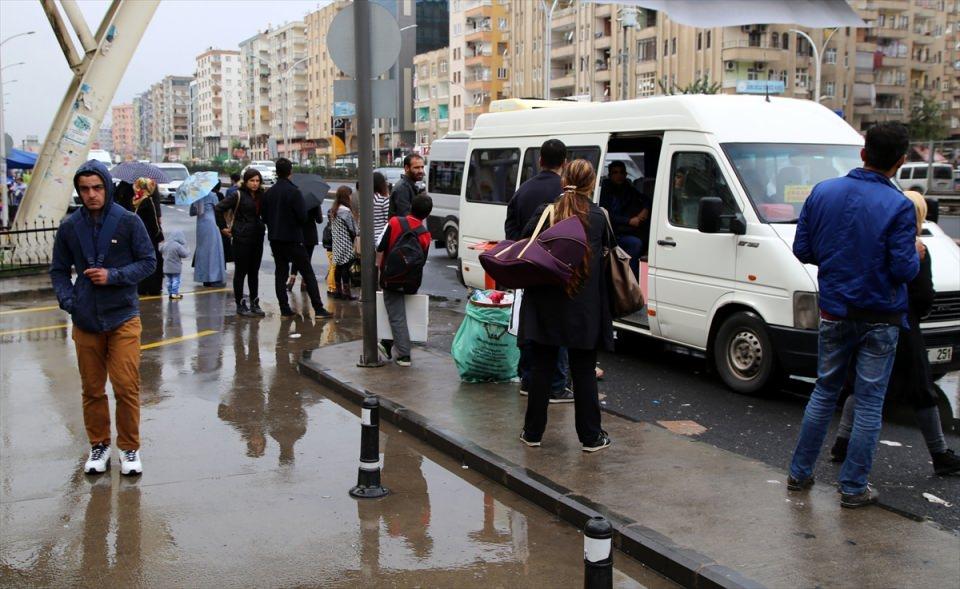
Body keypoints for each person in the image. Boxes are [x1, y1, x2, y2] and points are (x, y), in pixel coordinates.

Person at [787, 122, 920, 509]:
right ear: (900, 162)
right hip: (881, 315)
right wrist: (916, 253)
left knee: (824, 390)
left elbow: (803, 249)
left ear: (863, 153)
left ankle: (799, 472)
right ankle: (852, 487)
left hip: (835, 309)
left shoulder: (823, 192)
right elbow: (904, 270)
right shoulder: (899, 206)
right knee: (868, 402)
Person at [830, 191, 960, 476]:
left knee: (860, 385)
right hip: (904, 326)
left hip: (864, 319)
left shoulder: (871, 241)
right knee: (921, 390)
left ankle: (841, 444)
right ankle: (939, 454)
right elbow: (924, 295)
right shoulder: (917, 250)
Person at [49, 160, 156, 476]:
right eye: (84, 189)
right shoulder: (70, 226)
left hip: (123, 315)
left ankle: (129, 448)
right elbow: (58, 270)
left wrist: (114, 275)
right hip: (86, 320)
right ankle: (99, 445)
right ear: (78, 191)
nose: (91, 194)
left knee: (125, 386)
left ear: (107, 188)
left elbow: (148, 261)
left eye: (97, 187)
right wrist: (69, 301)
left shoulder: (127, 222)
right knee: (92, 389)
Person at [518, 159, 613, 452]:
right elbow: (608, 254)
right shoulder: (599, 217)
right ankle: (590, 437)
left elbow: (524, 244)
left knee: (542, 368)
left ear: (564, 181)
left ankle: (532, 434)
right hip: (584, 307)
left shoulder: (546, 212)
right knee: (583, 372)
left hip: (546, 303)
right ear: (592, 183)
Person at [504, 138, 573, 404]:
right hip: (557, 270)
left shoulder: (522, 190)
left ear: (540, 161)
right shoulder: (567, 194)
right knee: (558, 327)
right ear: (564, 162)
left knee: (529, 322)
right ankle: (557, 385)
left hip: (528, 269)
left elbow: (511, 232)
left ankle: (527, 378)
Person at [260, 158, 331, 318]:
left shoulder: (269, 193)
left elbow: (264, 217)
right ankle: (318, 308)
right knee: (308, 273)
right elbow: (302, 217)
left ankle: (285, 308)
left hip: (275, 239)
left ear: (276, 172)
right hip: (293, 239)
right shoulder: (294, 192)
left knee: (281, 273)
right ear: (290, 171)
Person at [377, 193, 433, 367]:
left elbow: (380, 246)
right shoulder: (425, 235)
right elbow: (421, 261)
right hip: (411, 281)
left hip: (391, 278)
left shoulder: (394, 222)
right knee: (399, 314)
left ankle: (404, 356)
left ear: (410, 206)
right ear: (427, 214)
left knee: (396, 315)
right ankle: (386, 344)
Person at [216, 168, 267, 317]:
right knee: (241, 272)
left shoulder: (261, 195)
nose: (255, 184)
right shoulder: (237, 194)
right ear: (246, 181)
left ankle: (254, 302)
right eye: (252, 180)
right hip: (241, 237)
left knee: (254, 271)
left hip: (257, 236)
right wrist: (223, 228)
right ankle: (240, 303)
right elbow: (218, 208)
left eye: (257, 181)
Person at [598, 161, 651, 277]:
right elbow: (606, 215)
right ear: (610, 175)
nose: (619, 175)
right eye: (615, 172)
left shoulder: (627, 187)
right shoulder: (605, 190)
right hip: (613, 232)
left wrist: (645, 209)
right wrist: (629, 221)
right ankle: (629, 278)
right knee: (635, 243)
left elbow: (646, 199)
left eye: (622, 172)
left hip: (629, 228)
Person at [131, 178, 165, 295]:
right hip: (149, 237)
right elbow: (154, 223)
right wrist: (159, 235)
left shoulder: (135, 200)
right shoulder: (148, 201)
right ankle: (153, 287)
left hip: (138, 236)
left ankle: (142, 287)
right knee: (154, 261)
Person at [190, 184, 226, 287]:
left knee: (203, 251)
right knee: (213, 250)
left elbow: (192, 213)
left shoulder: (195, 195)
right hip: (211, 223)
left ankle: (204, 277)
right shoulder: (213, 195)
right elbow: (219, 209)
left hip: (201, 224)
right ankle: (214, 276)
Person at [329, 186, 358, 300]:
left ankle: (338, 291)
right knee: (346, 266)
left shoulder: (334, 209)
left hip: (337, 242)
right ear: (346, 196)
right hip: (346, 242)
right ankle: (347, 293)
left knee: (338, 267)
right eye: (350, 195)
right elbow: (353, 229)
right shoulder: (346, 211)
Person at [285, 204, 321, 293]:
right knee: (307, 259)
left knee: (296, 257)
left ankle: (292, 279)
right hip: (310, 235)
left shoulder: (297, 199)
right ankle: (304, 283)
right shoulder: (314, 203)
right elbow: (319, 220)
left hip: (299, 233)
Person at [389, 154, 425, 218]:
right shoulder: (402, 188)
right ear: (406, 168)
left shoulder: (408, 185)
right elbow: (405, 219)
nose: (421, 171)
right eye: (416, 167)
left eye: (422, 167)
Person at [160, 229, 190, 300]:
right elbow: (184, 254)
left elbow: (160, 249)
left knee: (169, 281)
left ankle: (170, 293)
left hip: (166, 268)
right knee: (176, 281)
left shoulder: (166, 244)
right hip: (175, 268)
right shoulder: (177, 246)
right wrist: (188, 251)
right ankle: (174, 294)